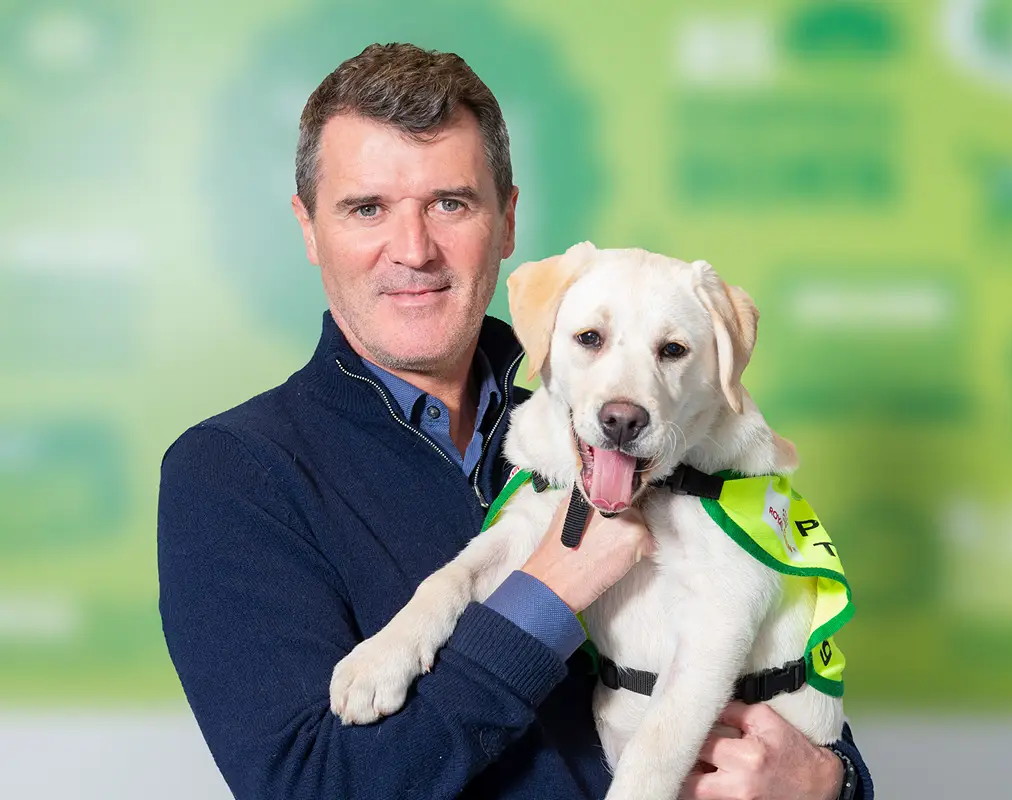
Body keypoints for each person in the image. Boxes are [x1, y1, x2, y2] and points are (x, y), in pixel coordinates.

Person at [157, 42, 874, 800]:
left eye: (451, 204)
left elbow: (767, 658)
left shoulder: (660, 427)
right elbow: (306, 786)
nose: (414, 249)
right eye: (367, 208)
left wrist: (832, 783)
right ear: (308, 229)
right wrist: (546, 595)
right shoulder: (235, 475)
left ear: (506, 224)